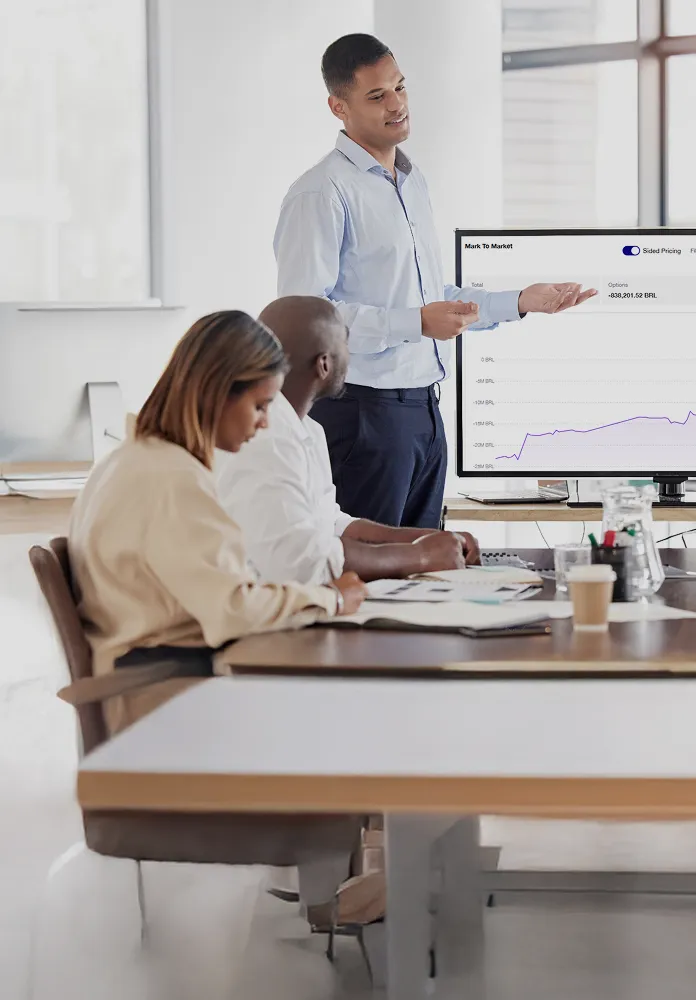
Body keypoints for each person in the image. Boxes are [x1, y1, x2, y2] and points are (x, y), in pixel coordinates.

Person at [274, 33, 596, 530]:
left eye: (400, 88)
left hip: (424, 409)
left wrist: (521, 302)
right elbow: (304, 321)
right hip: (362, 412)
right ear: (339, 106)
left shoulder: (411, 181)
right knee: (369, 572)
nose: (397, 105)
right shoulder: (321, 191)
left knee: (425, 572)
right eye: (377, 96)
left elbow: (427, 300)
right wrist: (415, 322)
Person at [68, 311, 367, 734]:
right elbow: (232, 609)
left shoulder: (132, 458)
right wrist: (329, 598)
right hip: (168, 704)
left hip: (152, 685)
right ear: (218, 392)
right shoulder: (173, 480)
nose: (265, 422)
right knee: (351, 720)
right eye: (260, 406)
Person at [216, 296, 483, 584]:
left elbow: (331, 524)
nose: (351, 354)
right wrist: (419, 557)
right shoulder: (262, 435)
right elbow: (299, 560)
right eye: (345, 343)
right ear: (324, 365)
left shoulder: (308, 429)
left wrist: (427, 539)